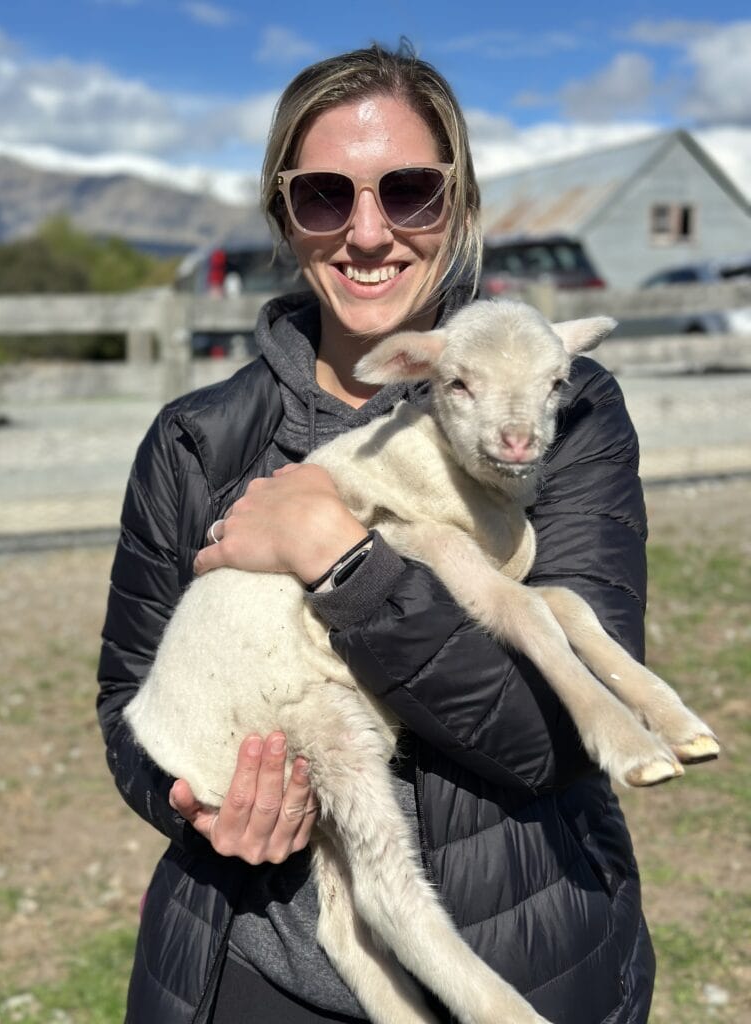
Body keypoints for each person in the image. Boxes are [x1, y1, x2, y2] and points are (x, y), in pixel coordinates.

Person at [97, 42, 656, 1024]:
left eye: (409, 192)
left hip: (526, 963)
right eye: (323, 196)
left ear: (461, 207)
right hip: (256, 967)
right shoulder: (196, 439)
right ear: (283, 217)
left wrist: (343, 562)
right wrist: (194, 802)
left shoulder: (565, 411)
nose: (367, 233)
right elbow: (130, 704)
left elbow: (555, 738)